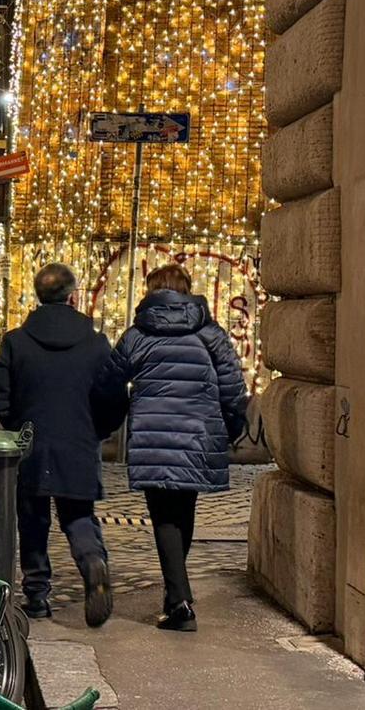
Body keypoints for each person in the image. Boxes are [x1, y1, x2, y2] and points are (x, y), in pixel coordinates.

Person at [92, 263, 248, 632]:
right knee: (183, 511)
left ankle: (178, 601)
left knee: (164, 515)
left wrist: (106, 423)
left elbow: (108, 385)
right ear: (186, 290)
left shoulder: (137, 335)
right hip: (197, 436)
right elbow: (233, 389)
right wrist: (231, 430)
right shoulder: (211, 333)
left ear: (152, 291)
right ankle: (176, 594)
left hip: (153, 437)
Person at [0, 263, 114, 627]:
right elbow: (111, 395)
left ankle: (38, 595)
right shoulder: (95, 343)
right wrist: (97, 430)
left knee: (32, 520)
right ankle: (92, 561)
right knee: (79, 515)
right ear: (73, 296)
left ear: (38, 295)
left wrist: (18, 426)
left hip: (31, 445)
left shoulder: (16, 341)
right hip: (78, 442)